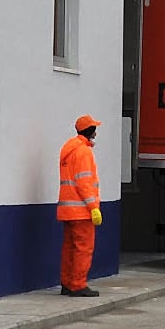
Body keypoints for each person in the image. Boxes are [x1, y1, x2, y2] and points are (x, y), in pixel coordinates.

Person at [57, 114, 102, 297]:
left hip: (68, 210)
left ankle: (67, 283)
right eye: (94, 130)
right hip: (81, 211)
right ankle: (78, 285)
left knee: (69, 248)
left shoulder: (68, 150)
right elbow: (84, 183)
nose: (96, 134)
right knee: (83, 249)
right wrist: (94, 208)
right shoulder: (83, 152)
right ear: (90, 131)